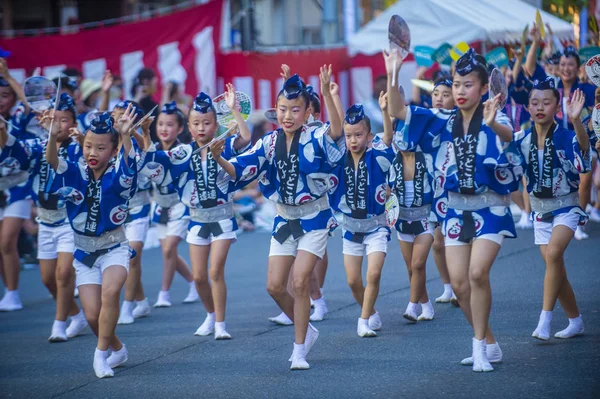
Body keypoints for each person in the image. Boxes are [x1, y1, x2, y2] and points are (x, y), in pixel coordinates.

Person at [385, 48, 518, 372]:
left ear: (484, 88)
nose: (459, 91)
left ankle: (480, 351)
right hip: (456, 210)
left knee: (476, 274)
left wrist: (492, 123)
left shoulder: (495, 115)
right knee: (459, 286)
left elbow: (510, 137)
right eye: (456, 84)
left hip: (490, 209)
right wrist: (394, 72)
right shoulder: (443, 120)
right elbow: (398, 109)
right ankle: (488, 342)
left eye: (467, 84)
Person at [211, 72, 344, 370]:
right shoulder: (269, 142)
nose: (287, 115)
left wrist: (328, 94)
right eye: (282, 109)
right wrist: (219, 158)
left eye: (296, 110)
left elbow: (336, 134)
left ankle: (299, 350)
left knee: (299, 281)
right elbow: (241, 168)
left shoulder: (317, 137)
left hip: (314, 218)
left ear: (308, 111)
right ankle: (306, 327)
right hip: (284, 219)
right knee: (273, 286)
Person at [141, 86, 251, 339]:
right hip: (196, 221)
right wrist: (145, 134)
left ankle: (221, 325)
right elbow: (155, 160)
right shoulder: (183, 152)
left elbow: (245, 138)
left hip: (223, 218)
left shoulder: (225, 145)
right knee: (200, 277)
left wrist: (234, 111)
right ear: (189, 127)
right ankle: (210, 315)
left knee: (215, 272)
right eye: (196, 123)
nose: (202, 128)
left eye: (207, 123)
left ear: (215, 124)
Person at [45, 107, 138, 378]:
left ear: (112, 150)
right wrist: (52, 137)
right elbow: (53, 161)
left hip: (114, 248)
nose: (93, 152)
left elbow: (129, 165)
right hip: (84, 252)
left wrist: (126, 136)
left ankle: (100, 357)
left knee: (110, 294)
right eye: (88, 146)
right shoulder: (75, 171)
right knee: (93, 314)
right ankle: (117, 349)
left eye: (100, 147)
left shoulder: (118, 174)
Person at [505, 78, 590, 340]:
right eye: (534, 102)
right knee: (556, 268)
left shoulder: (566, 136)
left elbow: (583, 153)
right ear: (528, 108)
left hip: (566, 206)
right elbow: (507, 165)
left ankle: (545, 320)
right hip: (540, 211)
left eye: (546, 102)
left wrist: (577, 121)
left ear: (557, 106)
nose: (540, 107)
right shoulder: (521, 139)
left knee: (553, 254)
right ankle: (575, 321)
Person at [0, 93, 88, 338]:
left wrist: (81, 141)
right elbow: (15, 151)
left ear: (73, 123)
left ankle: (59, 324)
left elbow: (91, 165)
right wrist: (2, 130)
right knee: (48, 279)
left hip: (70, 221)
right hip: (46, 222)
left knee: (63, 274)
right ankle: (76, 316)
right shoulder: (38, 146)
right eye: (55, 119)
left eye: (64, 120)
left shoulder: (79, 148)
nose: (58, 125)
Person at [328, 98, 394, 337]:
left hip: (376, 226)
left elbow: (388, 138)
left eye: (358, 135)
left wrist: (385, 111)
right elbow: (332, 132)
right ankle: (372, 311)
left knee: (373, 273)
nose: (353, 140)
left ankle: (363, 320)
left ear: (368, 136)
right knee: (353, 281)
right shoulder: (337, 160)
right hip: (351, 229)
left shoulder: (377, 156)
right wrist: (333, 97)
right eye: (349, 136)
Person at [142, 102, 198, 308]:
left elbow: (158, 159)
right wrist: (144, 132)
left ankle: (164, 294)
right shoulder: (153, 148)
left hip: (180, 204)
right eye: (161, 124)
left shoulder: (183, 150)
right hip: (159, 205)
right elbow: (148, 159)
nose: (164, 129)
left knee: (169, 249)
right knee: (168, 251)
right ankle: (194, 282)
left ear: (180, 128)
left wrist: (144, 135)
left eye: (170, 125)